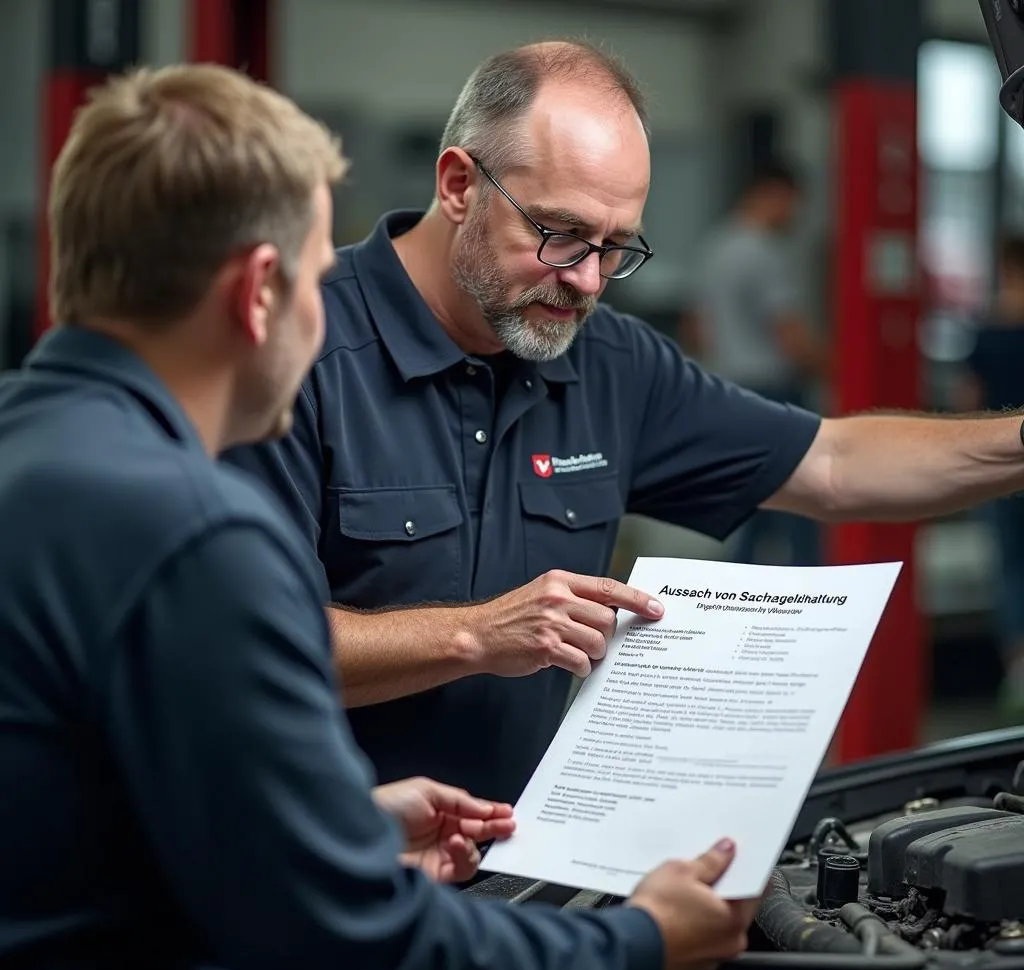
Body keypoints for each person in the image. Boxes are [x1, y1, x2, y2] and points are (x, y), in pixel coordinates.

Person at [0, 60, 763, 970]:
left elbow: (73, 800)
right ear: (262, 293)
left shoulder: (29, 451)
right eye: (321, 276)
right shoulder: (194, 537)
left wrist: (335, 828)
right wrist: (644, 940)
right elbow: (361, 959)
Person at [224, 39, 1024, 809]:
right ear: (459, 184)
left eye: (613, 248)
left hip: (519, 881)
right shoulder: (297, 351)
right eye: (558, 233)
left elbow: (836, 465)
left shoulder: (607, 358)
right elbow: (236, 647)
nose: (584, 279)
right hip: (314, 886)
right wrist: (476, 635)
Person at [694, 159, 827, 567]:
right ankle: (813, 609)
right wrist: (843, 369)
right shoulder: (766, 253)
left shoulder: (714, 246)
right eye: (793, 204)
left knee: (749, 506)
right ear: (774, 195)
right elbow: (790, 337)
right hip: (773, 392)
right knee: (802, 506)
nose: (794, 216)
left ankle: (741, 604)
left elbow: (696, 329)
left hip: (727, 387)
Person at [955, 234, 1024, 724]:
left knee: (1009, 569)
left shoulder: (988, 326)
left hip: (999, 470)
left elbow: (968, 400)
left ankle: (1018, 671)